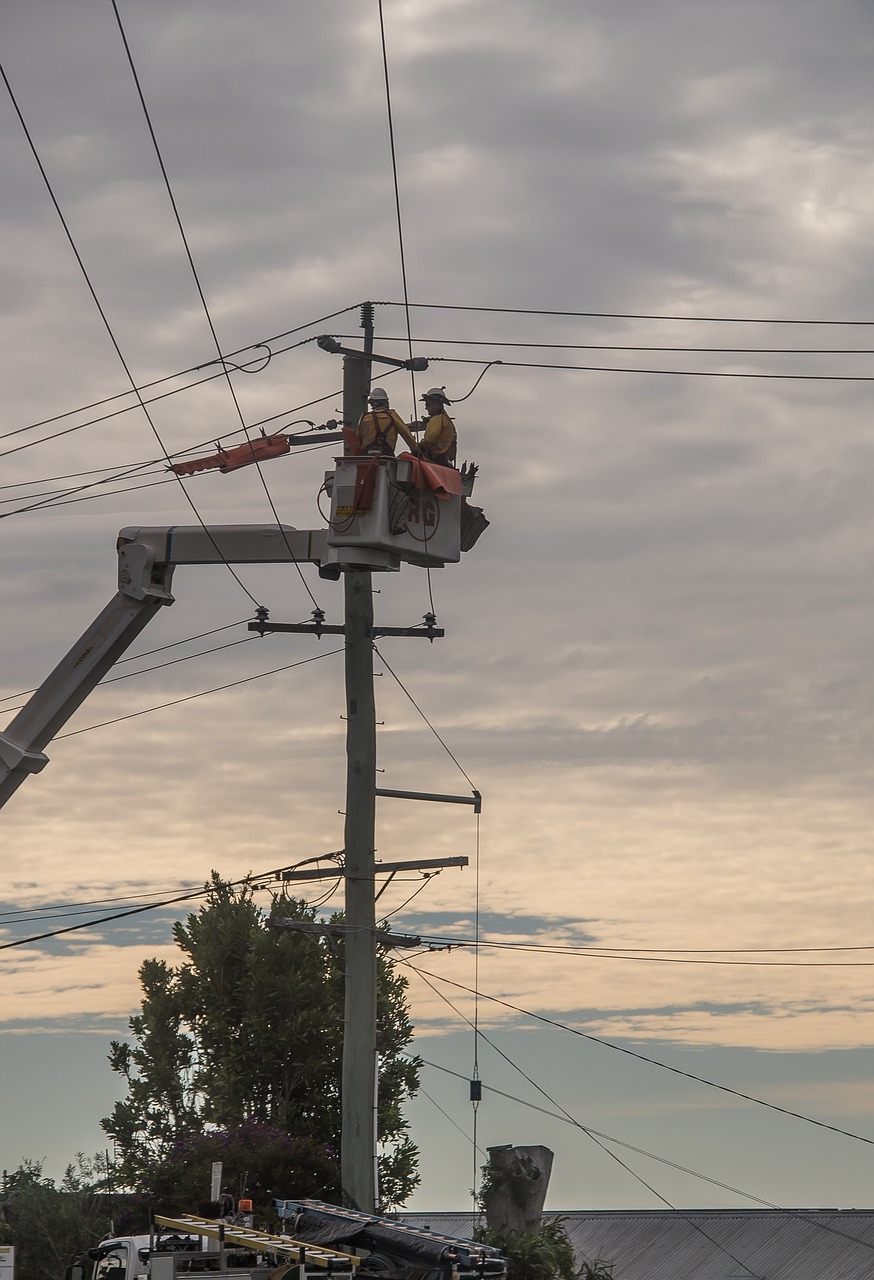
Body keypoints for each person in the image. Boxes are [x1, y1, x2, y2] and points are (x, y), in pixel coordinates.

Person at [357, 388, 419, 456]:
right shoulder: (392, 416)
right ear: (386, 402)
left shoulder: (364, 418)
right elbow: (406, 434)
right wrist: (416, 450)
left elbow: (358, 439)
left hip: (366, 456)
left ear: (372, 403)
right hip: (386, 455)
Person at [418, 387, 457, 467]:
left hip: (435, 460)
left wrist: (418, 447)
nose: (426, 407)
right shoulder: (447, 420)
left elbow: (428, 441)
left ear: (437, 403)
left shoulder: (438, 419)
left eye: (428, 404)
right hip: (445, 462)